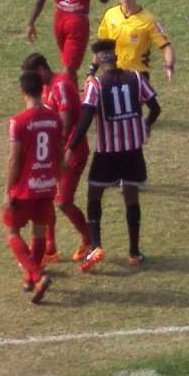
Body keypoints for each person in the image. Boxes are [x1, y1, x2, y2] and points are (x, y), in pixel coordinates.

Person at [66, 40, 161, 271]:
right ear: (116, 56)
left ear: (99, 60)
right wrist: (146, 124)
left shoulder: (96, 84)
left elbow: (85, 119)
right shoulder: (137, 78)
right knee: (131, 197)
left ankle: (96, 245)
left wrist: (70, 147)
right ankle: (134, 253)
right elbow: (155, 108)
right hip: (132, 151)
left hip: (107, 152)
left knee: (94, 195)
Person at [20, 53, 91, 266]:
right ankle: (49, 249)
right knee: (46, 198)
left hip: (71, 152)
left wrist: (58, 148)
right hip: (55, 153)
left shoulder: (60, 85)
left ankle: (89, 238)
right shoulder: (46, 88)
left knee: (63, 201)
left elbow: (66, 120)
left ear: (42, 69)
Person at [3, 71, 61, 303]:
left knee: (11, 231)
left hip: (25, 188)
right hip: (47, 185)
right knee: (39, 231)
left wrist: (7, 190)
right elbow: (58, 152)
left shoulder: (18, 122)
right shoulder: (55, 119)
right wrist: (56, 177)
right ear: (42, 90)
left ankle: (37, 275)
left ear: (22, 91)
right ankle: (29, 279)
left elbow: (14, 160)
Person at [96, 0, 176, 82]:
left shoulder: (148, 20)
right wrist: (92, 70)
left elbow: (166, 46)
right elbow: (101, 47)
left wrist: (169, 65)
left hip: (137, 77)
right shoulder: (110, 15)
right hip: (112, 75)